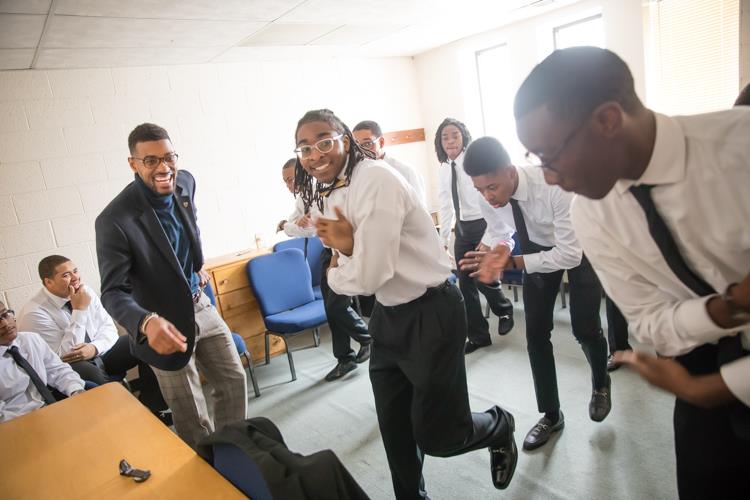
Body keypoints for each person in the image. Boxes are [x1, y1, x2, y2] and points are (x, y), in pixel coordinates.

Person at [513, 46, 750, 499]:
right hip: (699, 369)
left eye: (550, 155)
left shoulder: (740, 149)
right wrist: (728, 308)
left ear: (607, 120)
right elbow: (651, 326)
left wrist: (715, 387)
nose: (547, 176)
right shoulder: (592, 214)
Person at [297, 109, 517, 498]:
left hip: (431, 313)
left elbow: (367, 275)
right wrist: (348, 249)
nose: (314, 155)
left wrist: (339, 263)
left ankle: (500, 426)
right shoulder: (333, 189)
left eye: (324, 142)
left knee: (441, 436)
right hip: (388, 317)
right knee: (396, 435)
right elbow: (346, 253)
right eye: (304, 148)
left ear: (345, 139)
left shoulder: (377, 180)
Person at [95, 123, 247, 449]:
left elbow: (182, 233)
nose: (163, 167)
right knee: (190, 409)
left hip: (199, 302)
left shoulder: (186, 183)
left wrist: (194, 266)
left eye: (168, 157)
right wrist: (146, 322)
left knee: (234, 379)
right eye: (151, 161)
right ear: (133, 164)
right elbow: (112, 291)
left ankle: (235, 454)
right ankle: (208, 470)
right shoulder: (114, 220)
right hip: (159, 321)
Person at [460, 136, 611, 451]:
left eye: (492, 188)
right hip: (534, 247)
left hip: (579, 245)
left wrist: (513, 260)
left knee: (586, 329)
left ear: (511, 172)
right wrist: (493, 249)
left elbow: (570, 255)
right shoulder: (486, 197)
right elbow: (501, 230)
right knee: (536, 336)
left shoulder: (553, 184)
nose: (487, 197)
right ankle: (551, 414)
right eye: (479, 190)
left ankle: (600, 383)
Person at [17, 255, 167, 415]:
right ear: (48, 282)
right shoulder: (34, 313)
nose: (75, 277)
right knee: (88, 372)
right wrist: (79, 311)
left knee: (146, 342)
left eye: (75, 271)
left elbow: (109, 329)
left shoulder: (85, 290)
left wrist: (95, 348)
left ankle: (154, 408)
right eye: (66, 275)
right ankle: (122, 417)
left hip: (99, 352)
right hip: (70, 366)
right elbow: (61, 356)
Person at [435, 118, 515, 353]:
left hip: (483, 224)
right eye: (445, 137)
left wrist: (488, 240)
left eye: (455, 135)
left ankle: (503, 309)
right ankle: (478, 335)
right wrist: (443, 239)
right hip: (462, 227)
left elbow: (491, 205)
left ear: (463, 138)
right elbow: (445, 204)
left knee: (483, 276)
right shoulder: (443, 170)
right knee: (465, 282)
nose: (450, 141)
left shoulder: (472, 165)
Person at [1, 301, 85, 422]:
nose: (5, 323)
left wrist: (76, 390)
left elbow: (58, 370)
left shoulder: (30, 339)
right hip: (19, 423)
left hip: (51, 407)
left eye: (5, 314)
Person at [352, 120, 427, 204]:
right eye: (356, 147)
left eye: (367, 144)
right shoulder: (356, 175)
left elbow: (420, 211)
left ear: (381, 142)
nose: (362, 152)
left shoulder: (406, 172)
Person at [277, 158, 316, 237]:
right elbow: (291, 222)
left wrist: (285, 225)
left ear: (303, 175)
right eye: (285, 181)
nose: (287, 185)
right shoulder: (301, 200)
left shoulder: (318, 194)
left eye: (290, 180)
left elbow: (311, 232)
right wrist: (296, 224)